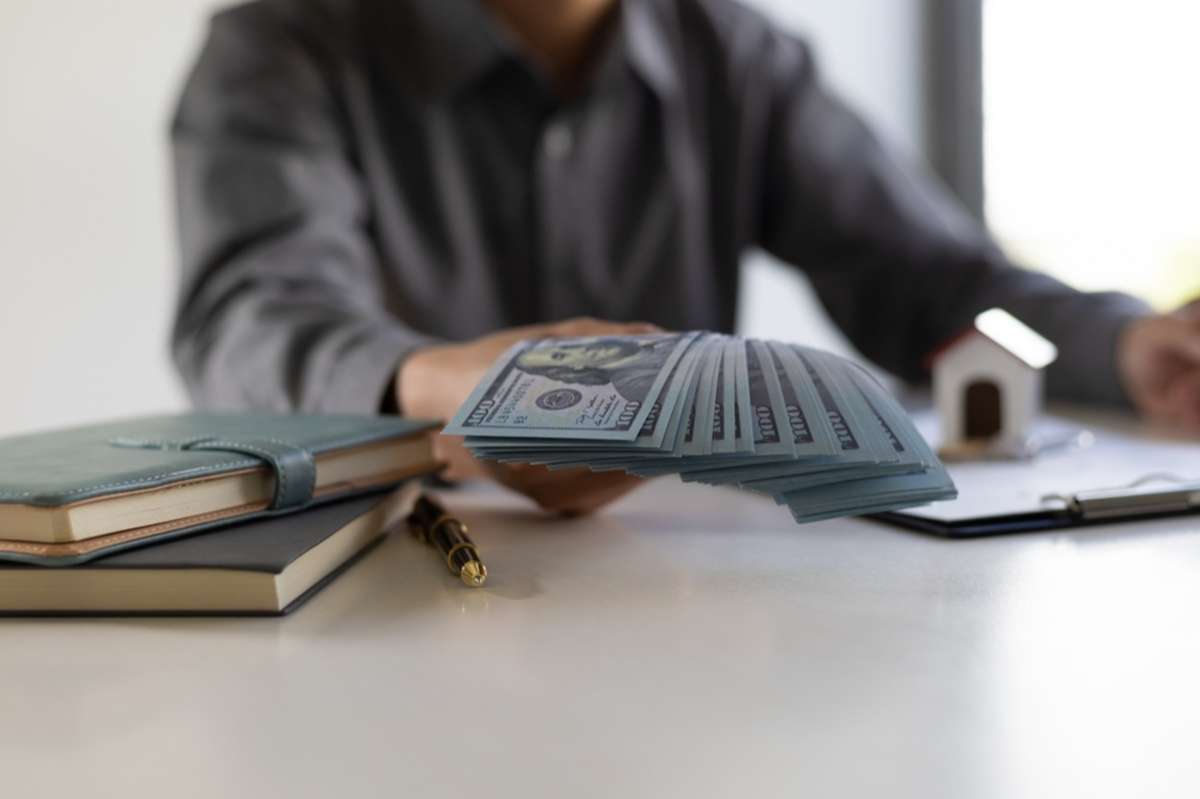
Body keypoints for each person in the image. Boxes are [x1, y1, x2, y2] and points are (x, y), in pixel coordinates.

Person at [170, 0, 1200, 514]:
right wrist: (444, 392)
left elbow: (941, 286)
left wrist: (1123, 343)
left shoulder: (734, 55)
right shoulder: (282, 47)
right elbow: (253, 315)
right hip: (381, 571)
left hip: (682, 586)